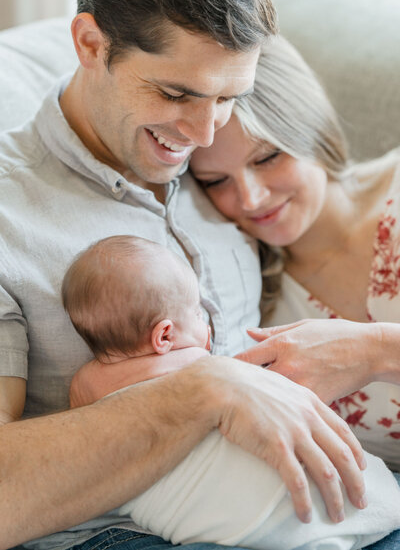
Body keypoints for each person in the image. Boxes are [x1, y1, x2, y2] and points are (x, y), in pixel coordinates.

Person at [0, 0, 368, 548]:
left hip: (307, 507)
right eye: (175, 94)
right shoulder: (9, 215)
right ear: (91, 43)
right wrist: (203, 389)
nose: (203, 134)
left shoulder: (223, 171)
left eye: (227, 98)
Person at [58, 234, 400, 550]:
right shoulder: (194, 362)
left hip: (199, 521)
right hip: (264, 513)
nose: (203, 322)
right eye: (194, 312)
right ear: (164, 336)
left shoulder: (84, 385)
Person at [190, 34, 400, 479]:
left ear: (313, 126)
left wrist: (375, 350)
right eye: (215, 181)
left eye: (267, 157)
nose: (250, 197)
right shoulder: (251, 304)